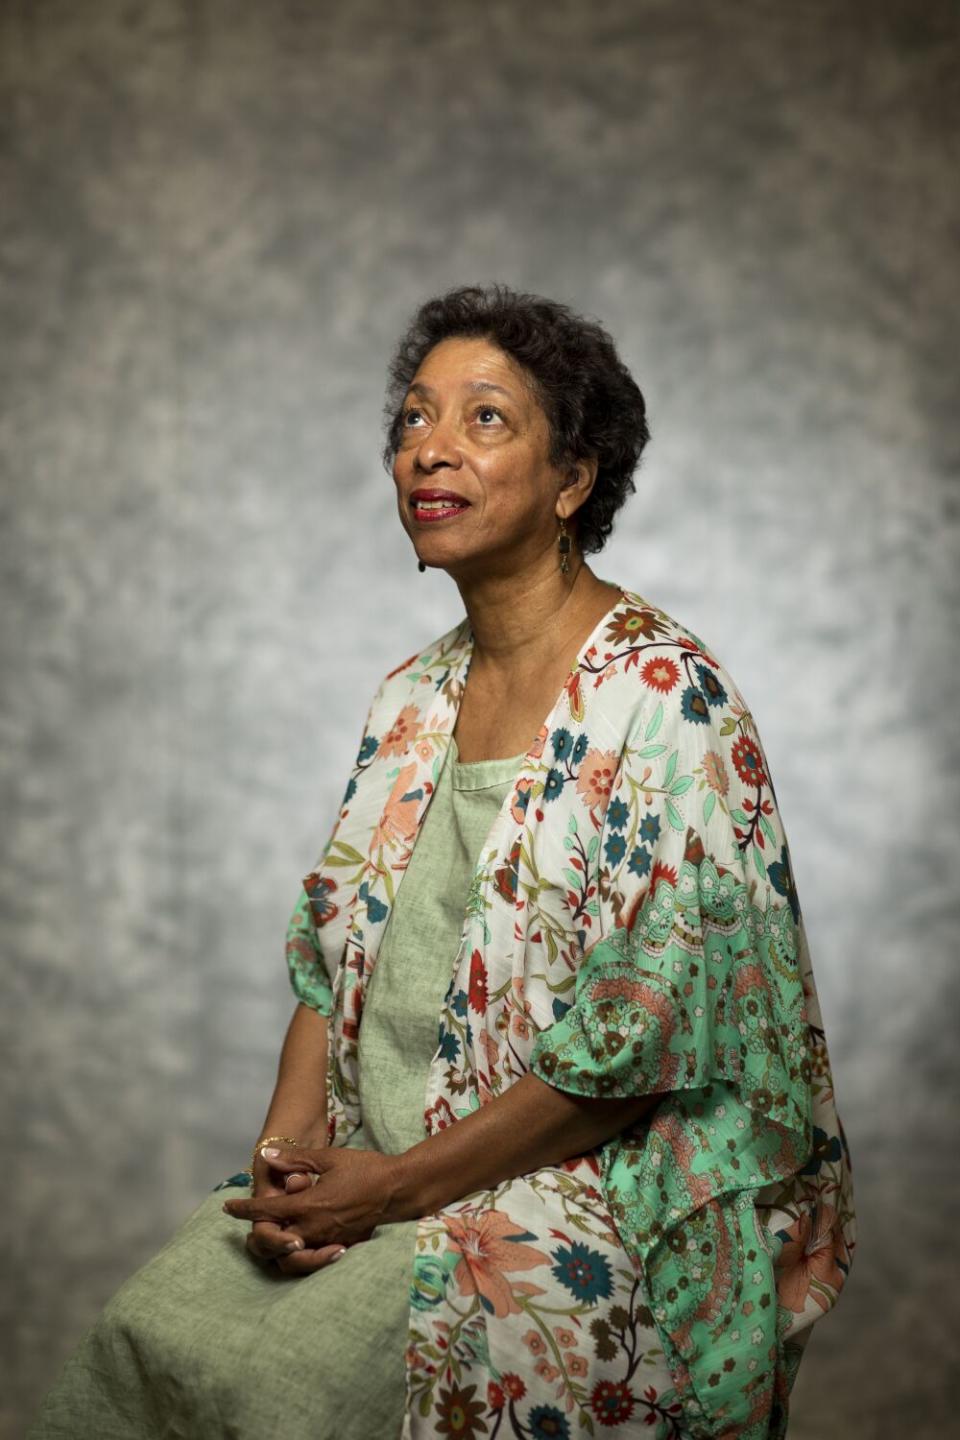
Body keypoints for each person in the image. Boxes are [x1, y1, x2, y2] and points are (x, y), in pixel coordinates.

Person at [30, 285, 855, 1440]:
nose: (429, 448)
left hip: (588, 1198)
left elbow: (636, 1050)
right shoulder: (411, 700)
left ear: (573, 479)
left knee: (285, 1390)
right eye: (414, 418)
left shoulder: (666, 699)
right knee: (149, 1336)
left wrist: (399, 1191)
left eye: (484, 420)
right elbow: (331, 961)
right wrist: (289, 1165)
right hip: (380, 1172)